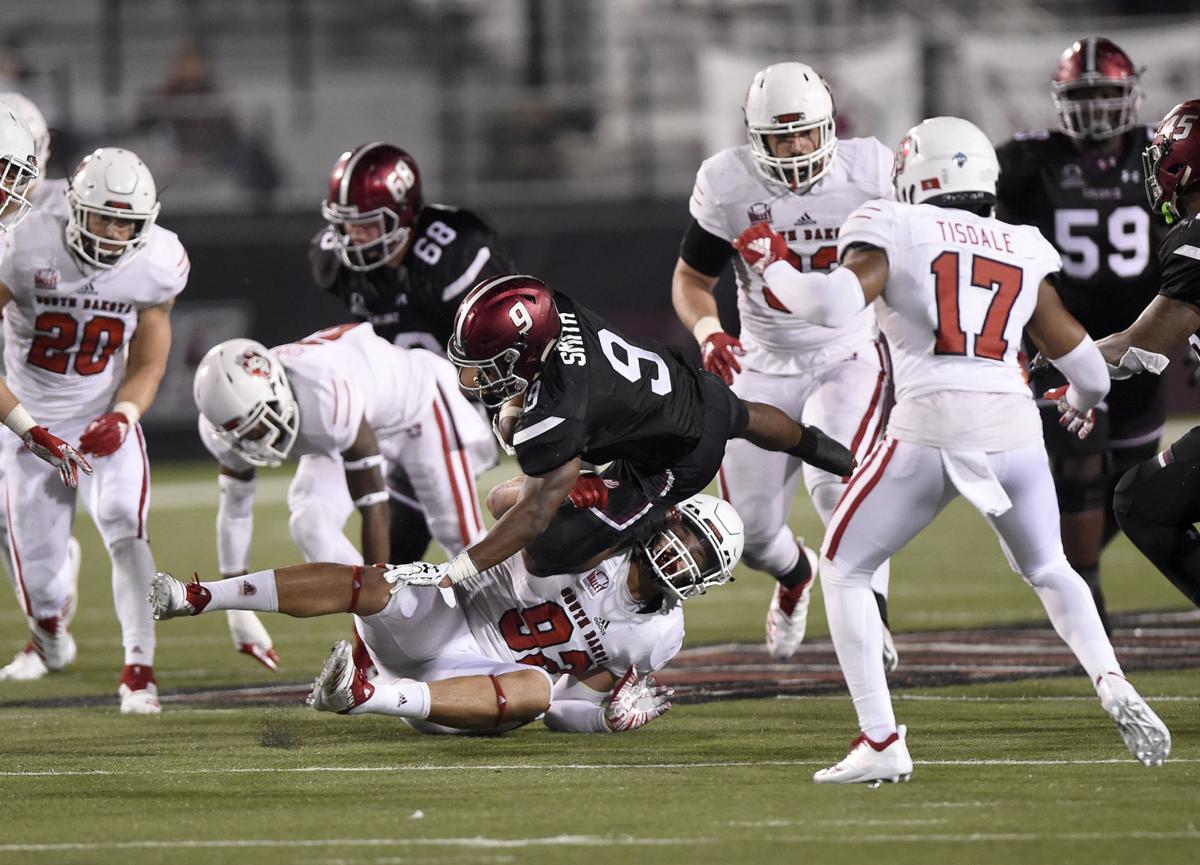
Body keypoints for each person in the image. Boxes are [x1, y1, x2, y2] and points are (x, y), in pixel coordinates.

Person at [748, 116, 1170, 783]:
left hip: (930, 422)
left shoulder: (896, 224)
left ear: (915, 174)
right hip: (1012, 426)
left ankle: (881, 738)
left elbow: (829, 304)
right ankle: (1111, 678)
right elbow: (1088, 372)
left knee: (846, 566)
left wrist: (771, 259)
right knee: (1052, 568)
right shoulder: (1021, 244)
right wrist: (1080, 404)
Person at [149, 492, 744, 736]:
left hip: (468, 690)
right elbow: (503, 502)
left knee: (536, 687)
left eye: (700, 555)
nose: (682, 553)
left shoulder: (660, 635)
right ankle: (198, 596)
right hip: (448, 614)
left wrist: (604, 722)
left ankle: (363, 697)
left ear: (711, 578)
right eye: (686, 536)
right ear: (666, 522)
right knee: (379, 582)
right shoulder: (604, 531)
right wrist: (568, 491)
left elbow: (564, 711)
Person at [416, 271, 853, 591]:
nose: (474, 374)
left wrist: (457, 570)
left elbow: (530, 518)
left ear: (527, 352)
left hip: (673, 459)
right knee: (739, 414)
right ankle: (837, 454)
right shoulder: (555, 308)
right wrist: (516, 417)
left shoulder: (559, 410)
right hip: (680, 383)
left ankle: (649, 523)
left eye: (488, 362)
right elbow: (541, 378)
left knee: (546, 554)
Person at [672, 62, 897, 664]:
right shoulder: (727, 181)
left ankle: (870, 615)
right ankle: (798, 575)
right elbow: (693, 278)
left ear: (830, 127)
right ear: (754, 135)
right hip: (762, 361)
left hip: (845, 352)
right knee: (749, 533)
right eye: (781, 136)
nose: (796, 148)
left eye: (805, 133)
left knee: (836, 484)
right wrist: (708, 330)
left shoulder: (873, 168)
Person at [0, 147, 185, 713]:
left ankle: (138, 672)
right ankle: (49, 635)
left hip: (103, 417)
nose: (112, 232)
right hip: (29, 421)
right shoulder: (23, 242)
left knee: (125, 528)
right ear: (73, 208)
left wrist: (125, 414)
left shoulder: (158, 261)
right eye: (102, 215)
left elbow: (150, 359)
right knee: (42, 582)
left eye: (126, 221)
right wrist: (29, 429)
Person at [995, 38, 1166, 633]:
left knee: (1134, 480)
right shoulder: (1027, 160)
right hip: (1060, 341)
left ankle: (1067, 566)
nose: (1095, 109)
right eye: (1083, 96)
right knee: (1077, 464)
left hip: (1147, 341)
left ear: (1130, 95)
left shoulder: (1160, 149)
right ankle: (1084, 589)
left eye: (1105, 94)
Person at [194, 323, 497, 625]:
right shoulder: (224, 423)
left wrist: (377, 595)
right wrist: (238, 614)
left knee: (461, 536)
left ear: (276, 392)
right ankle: (393, 628)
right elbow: (235, 511)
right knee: (310, 522)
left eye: (257, 426)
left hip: (419, 407)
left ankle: (511, 621)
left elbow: (374, 509)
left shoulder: (325, 395)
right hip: (358, 423)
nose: (253, 441)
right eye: (241, 433)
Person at [312, 142, 510, 562]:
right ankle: (391, 623)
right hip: (404, 408)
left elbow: (508, 343)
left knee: (453, 534)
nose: (353, 237)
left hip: (472, 404)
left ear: (404, 214)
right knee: (397, 544)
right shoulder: (338, 262)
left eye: (367, 224)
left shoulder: (452, 254)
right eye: (346, 225)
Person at [1093, 100, 1200, 608]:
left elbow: (1145, 342)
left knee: (1143, 501)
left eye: (1163, 155)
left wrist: (1059, 363)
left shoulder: (1194, 236)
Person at [0, 94, 87, 683]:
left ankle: (47, 624)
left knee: (25, 532)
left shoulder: (70, 208)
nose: (10, 187)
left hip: (32, 386)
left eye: (15, 170)